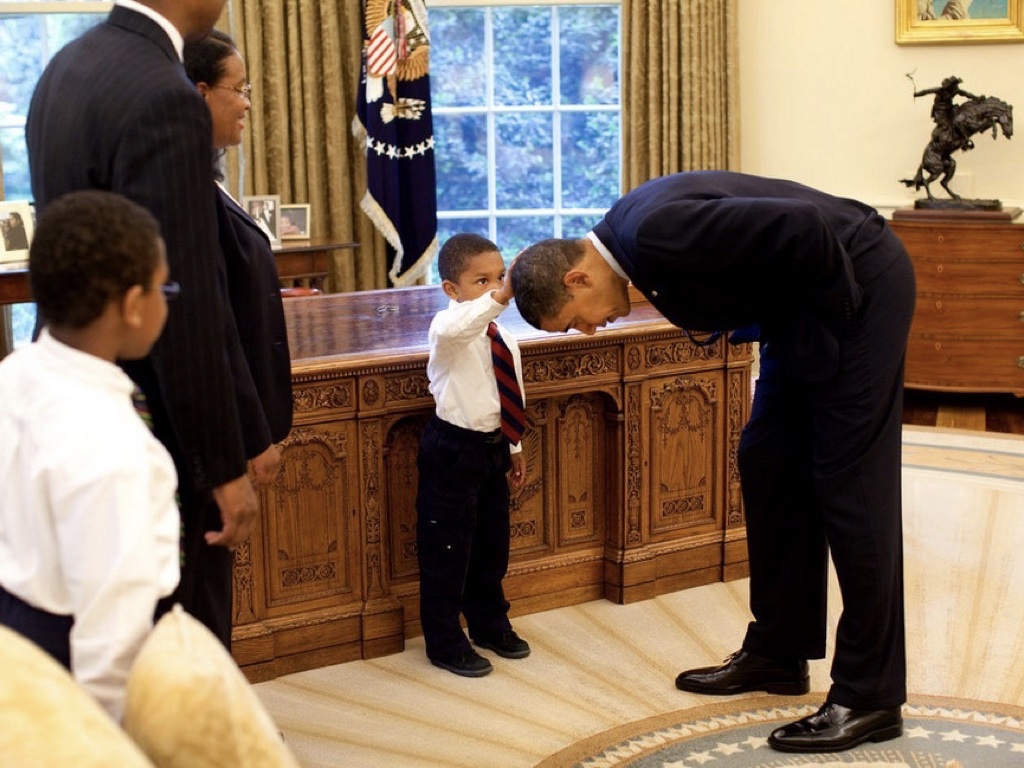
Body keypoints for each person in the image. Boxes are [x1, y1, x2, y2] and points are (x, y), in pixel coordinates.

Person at [511, 170, 915, 753]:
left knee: (852, 488)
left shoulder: (653, 233)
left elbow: (804, 226)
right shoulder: (633, 239)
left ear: (577, 277)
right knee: (768, 460)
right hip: (806, 308)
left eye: (575, 318)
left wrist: (839, 330)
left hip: (857, 289)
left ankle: (870, 696)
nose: (589, 328)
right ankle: (779, 652)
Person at [26, 0, 259, 649]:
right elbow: (181, 297)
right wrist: (222, 463)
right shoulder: (164, 92)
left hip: (71, 387)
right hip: (153, 422)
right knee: (178, 640)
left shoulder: (66, 66)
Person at [0, 190, 180, 722]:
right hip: (71, 652)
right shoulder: (113, 446)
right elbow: (112, 640)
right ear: (131, 305)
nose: (166, 302)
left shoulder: (13, 376)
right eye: (162, 287)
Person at [416, 233, 530, 677]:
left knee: (491, 543)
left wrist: (514, 446)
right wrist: (501, 296)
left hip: (492, 449)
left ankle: (489, 622)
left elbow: (510, 390)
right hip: (452, 449)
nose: (493, 287)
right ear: (452, 289)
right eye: (480, 280)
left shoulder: (501, 334)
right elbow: (460, 325)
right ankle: (444, 641)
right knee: (447, 548)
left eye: (499, 277)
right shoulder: (447, 331)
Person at [184, 30, 292, 488]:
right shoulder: (185, 190)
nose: (248, 103)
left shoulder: (206, 174)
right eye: (240, 88)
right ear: (201, 92)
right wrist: (251, 435)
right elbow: (214, 325)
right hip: (222, 436)